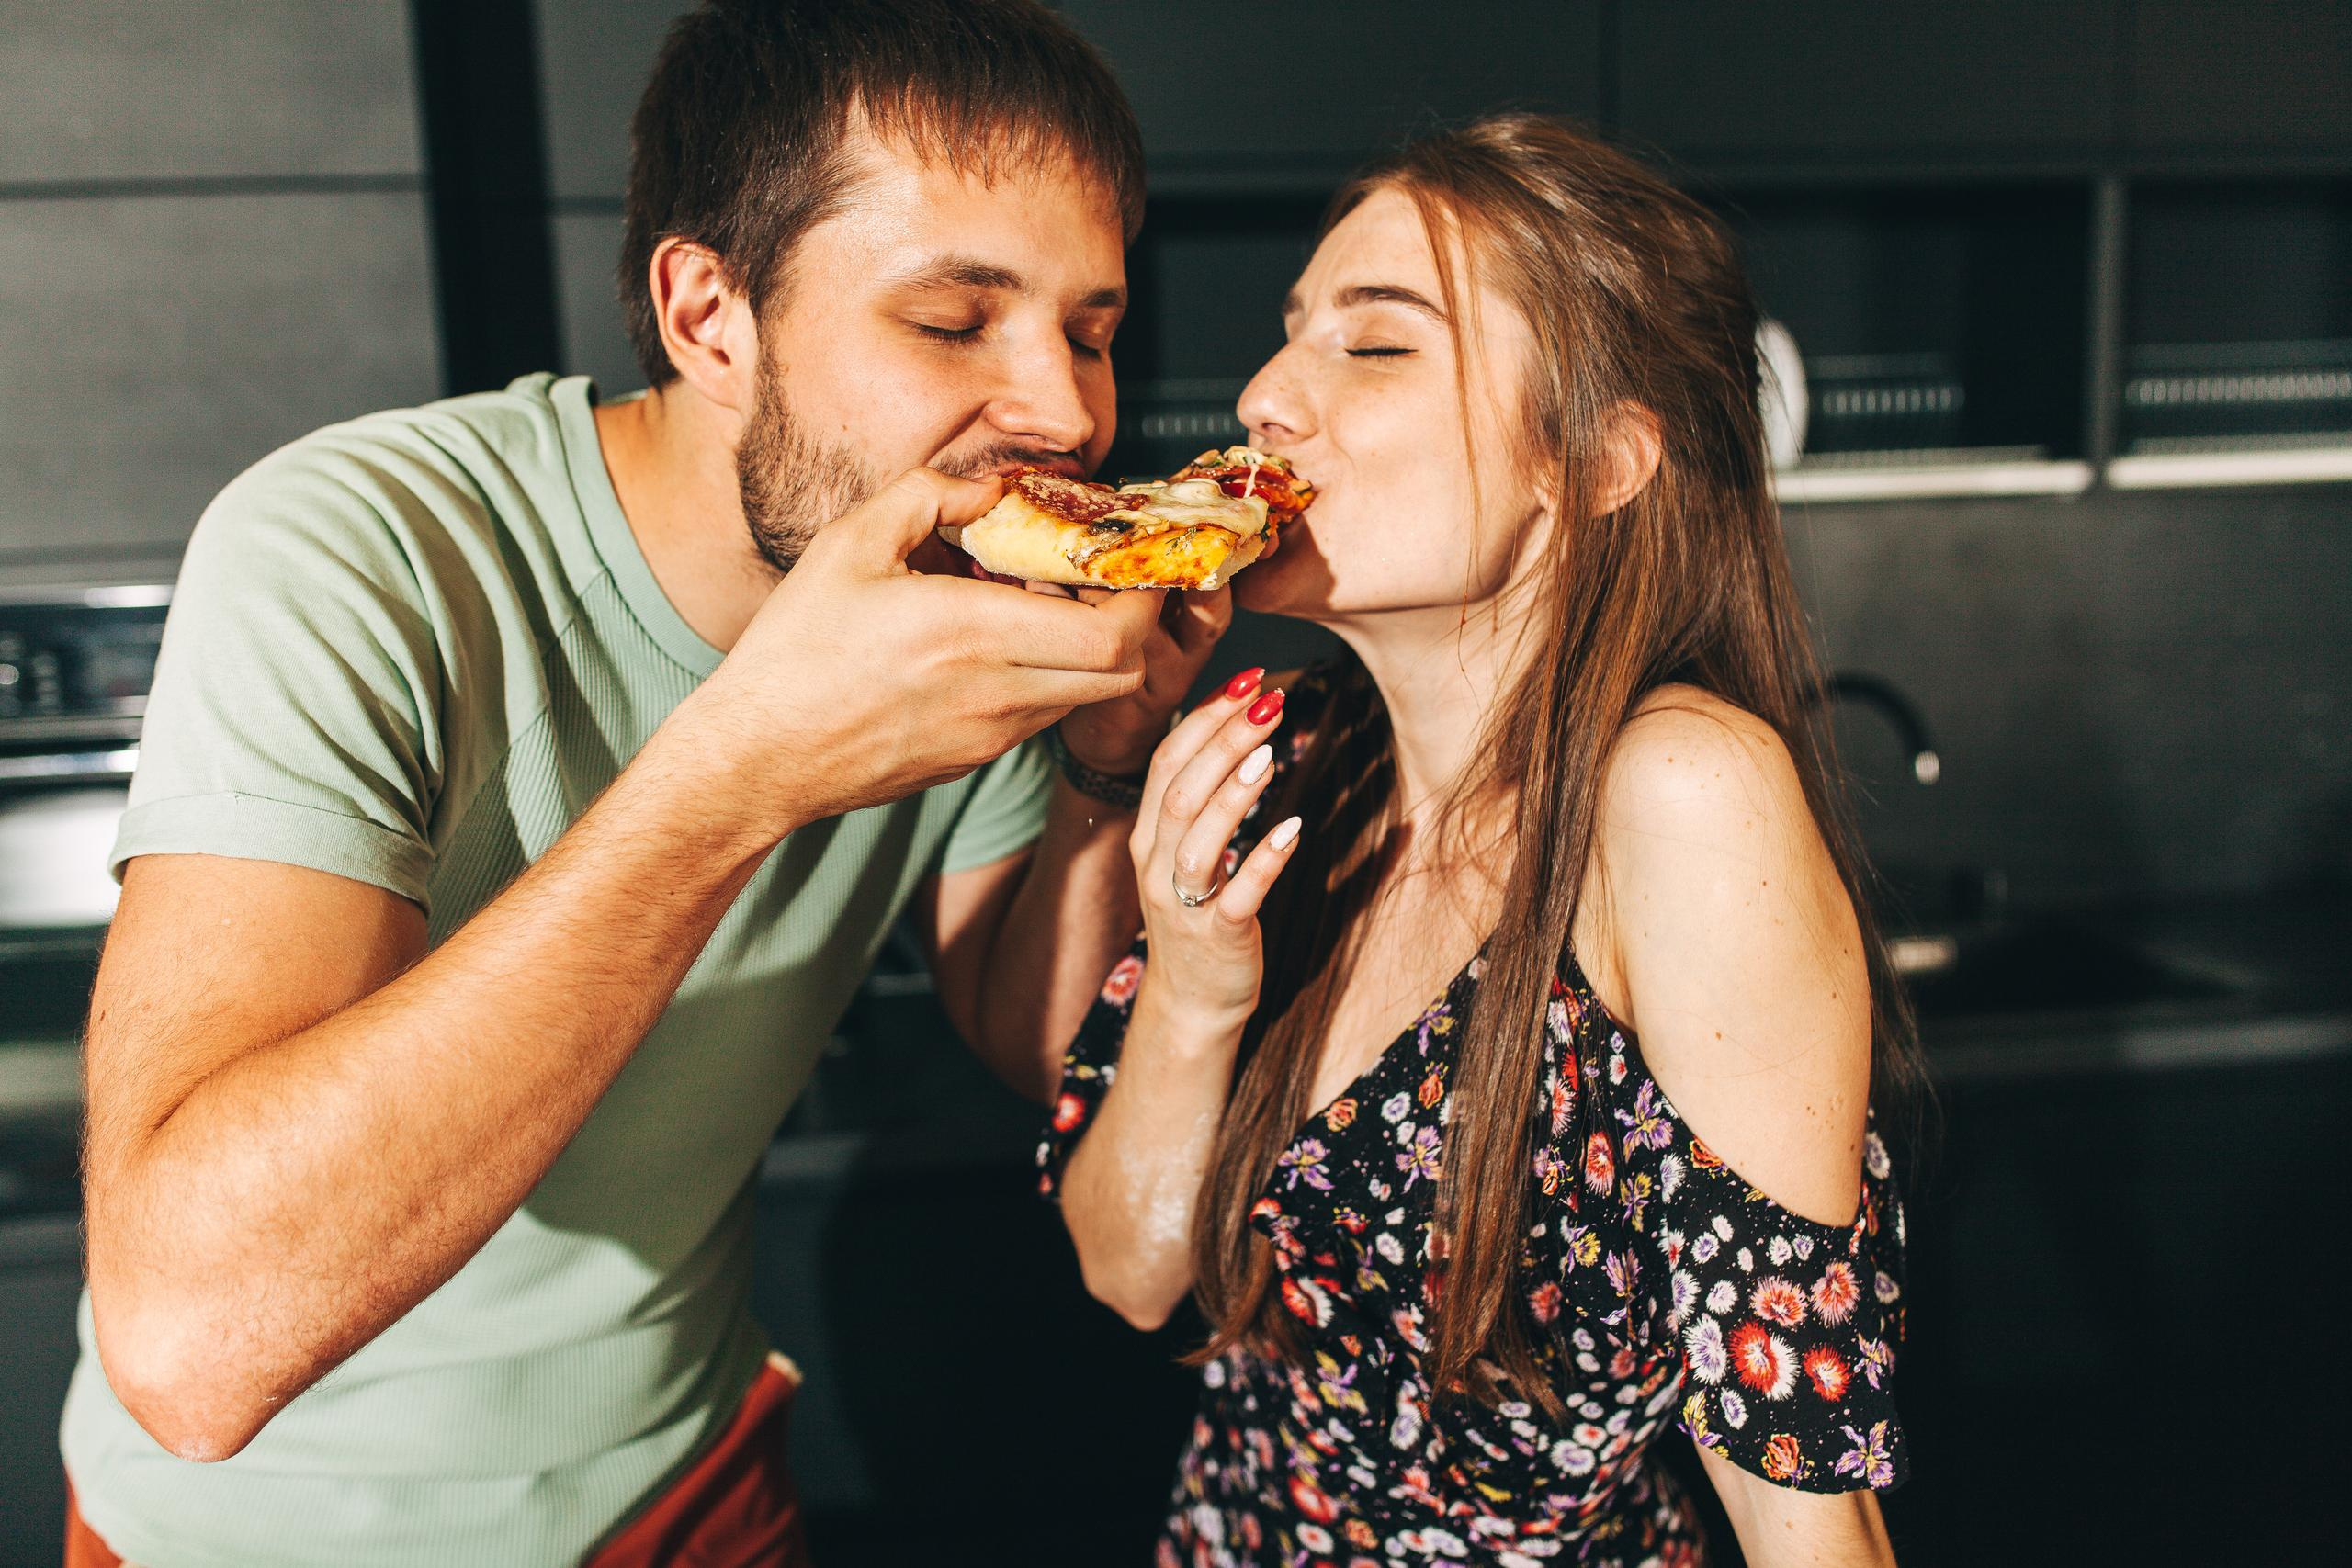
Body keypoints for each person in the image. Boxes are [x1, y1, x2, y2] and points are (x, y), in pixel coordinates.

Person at [61, 4, 1221, 1564]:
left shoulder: (952, 576)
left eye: (1089, 329)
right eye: (953, 323)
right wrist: (743, 769)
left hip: (697, 1486)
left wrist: (1104, 762)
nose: (1073, 414)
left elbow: (1033, 1039)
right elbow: (193, 1345)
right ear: (708, 315)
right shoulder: (359, 549)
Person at [1046, 114, 1922, 1568]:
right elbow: (1126, 1271)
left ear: (1597, 460)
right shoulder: (1297, 761)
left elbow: (1803, 1504)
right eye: (1289, 336)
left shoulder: (1682, 801)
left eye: (1374, 347)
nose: (1265, 395)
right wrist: (1197, 978)